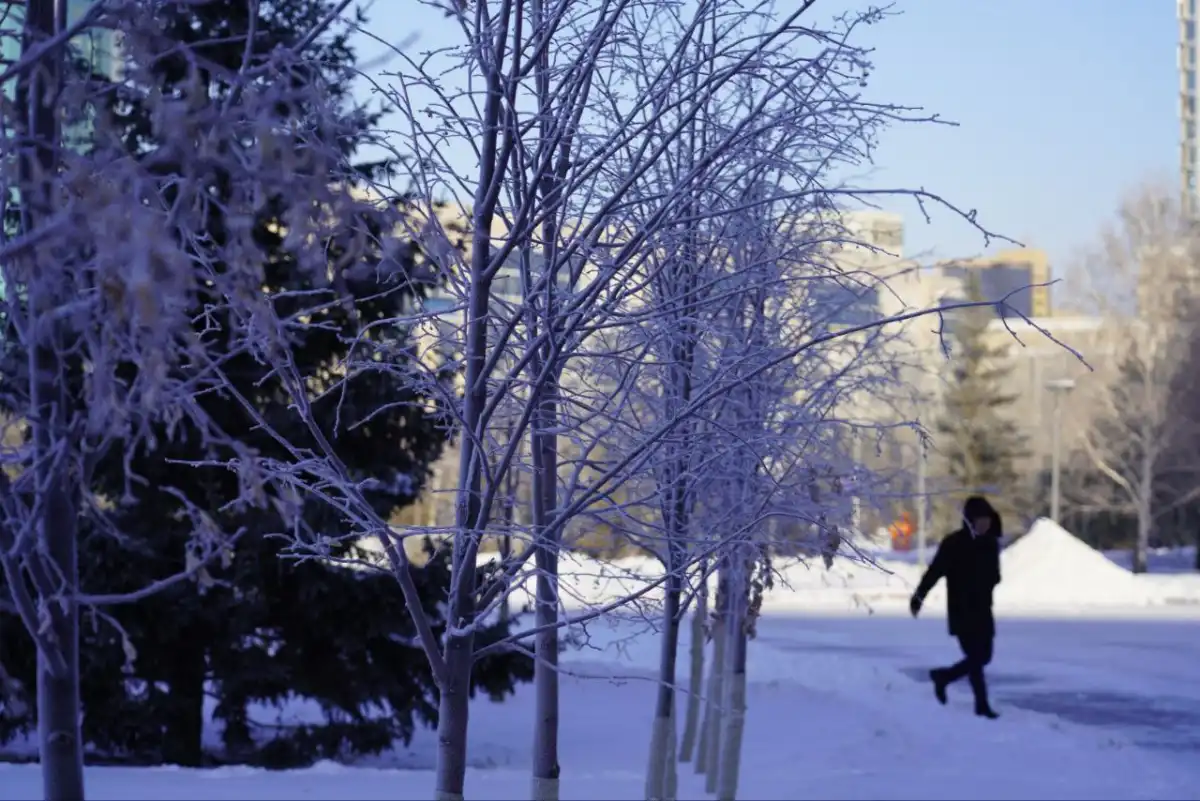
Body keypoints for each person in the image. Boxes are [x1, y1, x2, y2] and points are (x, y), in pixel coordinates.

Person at [909, 495, 1002, 719]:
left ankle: (944, 677)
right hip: (962, 611)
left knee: (983, 657)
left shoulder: (990, 543)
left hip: (983, 610)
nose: (985, 523)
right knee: (976, 657)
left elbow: (994, 576)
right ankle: (981, 705)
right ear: (970, 520)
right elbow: (935, 572)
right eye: (980, 519)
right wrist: (919, 596)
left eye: (987, 519)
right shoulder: (954, 543)